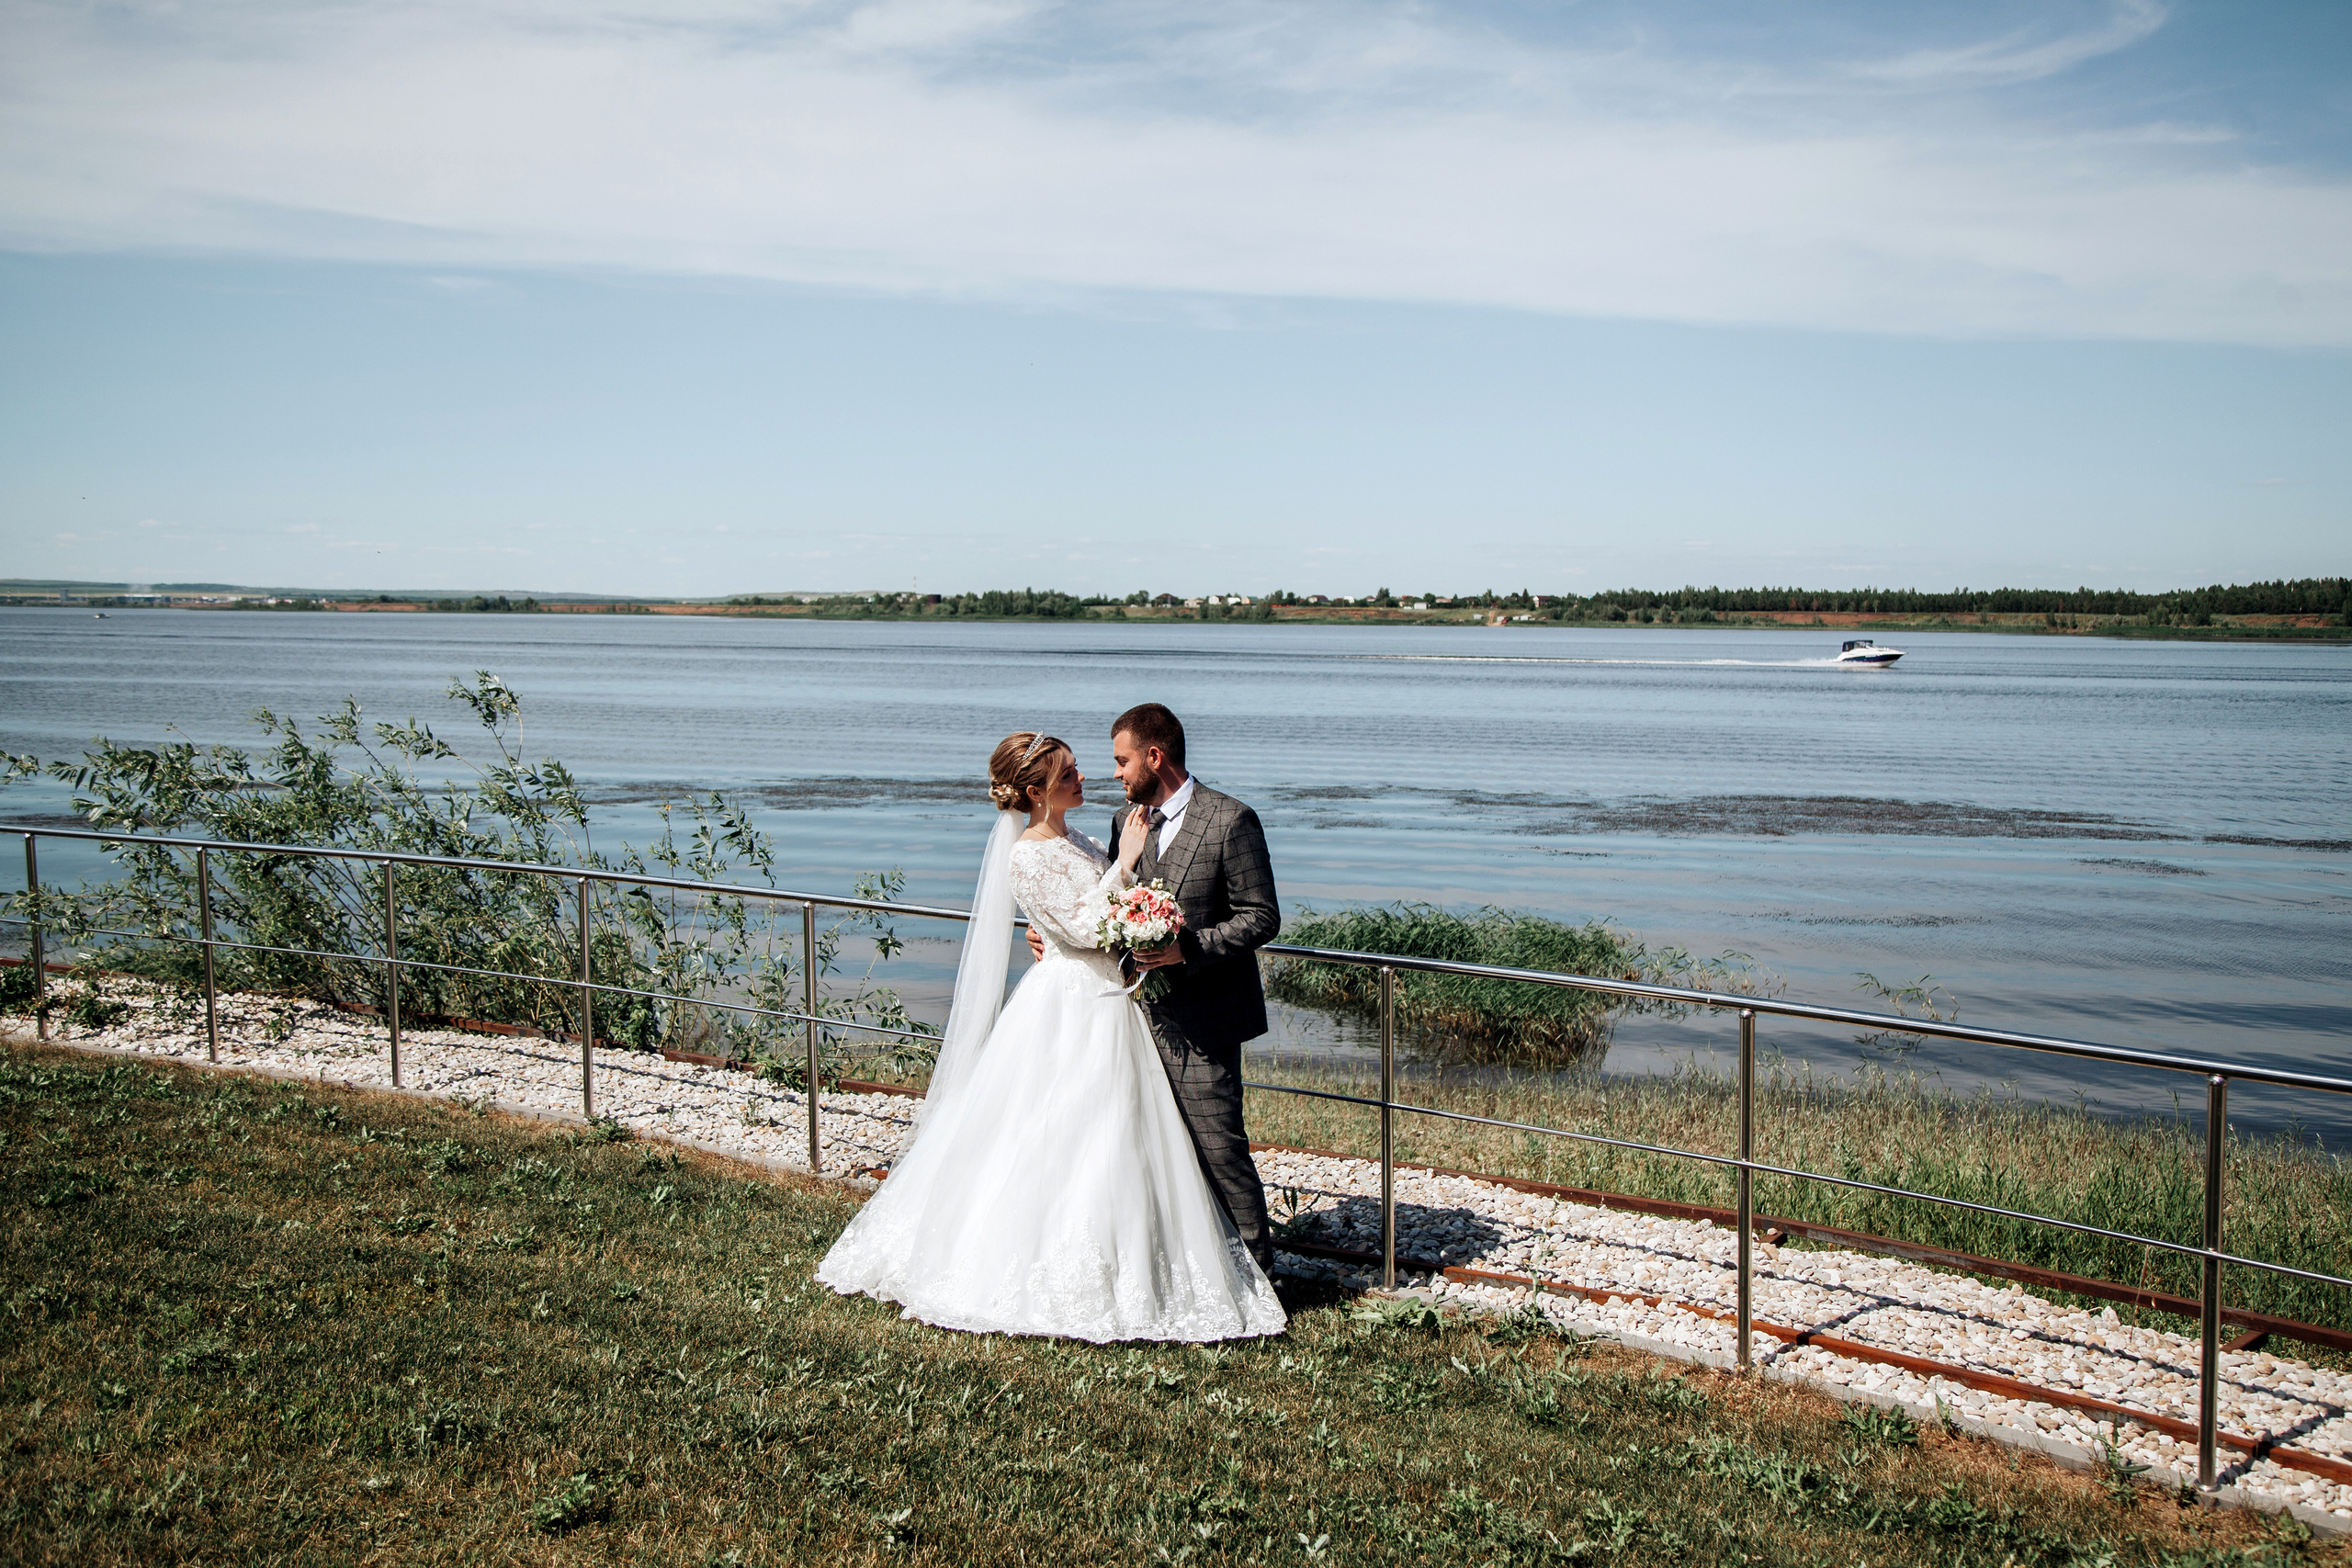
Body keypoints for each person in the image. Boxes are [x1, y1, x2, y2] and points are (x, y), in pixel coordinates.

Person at [816, 729, 1284, 1343]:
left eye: (1087, 766)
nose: (1087, 777)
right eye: (1069, 773)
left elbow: (1102, 909)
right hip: (1072, 1007)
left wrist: (1082, 915)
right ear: (1036, 791)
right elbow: (1086, 923)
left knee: (1136, 1140)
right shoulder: (1032, 853)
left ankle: (1188, 1265)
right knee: (1063, 1137)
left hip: (1120, 1002)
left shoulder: (1088, 837)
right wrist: (1097, 891)